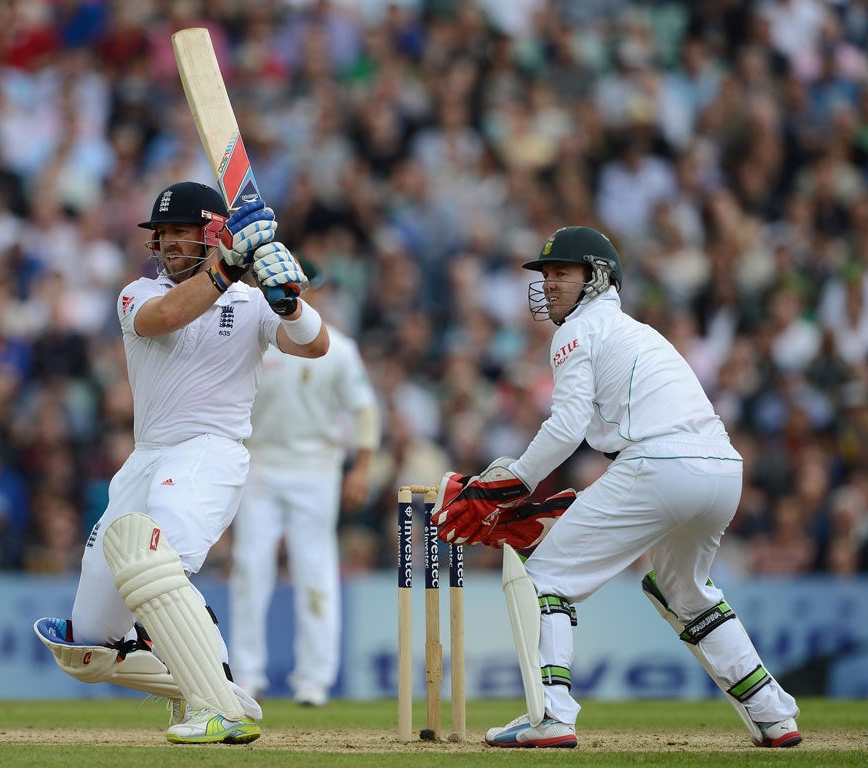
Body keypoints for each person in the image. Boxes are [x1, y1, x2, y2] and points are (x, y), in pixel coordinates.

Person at [431, 226, 801, 749]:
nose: (550, 284)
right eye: (546, 275)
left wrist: (506, 485)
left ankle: (550, 717)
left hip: (658, 464)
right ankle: (773, 715)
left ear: (596, 277)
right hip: (722, 469)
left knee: (545, 579)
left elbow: (566, 426)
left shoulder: (577, 331)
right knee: (685, 592)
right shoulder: (639, 331)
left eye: (563, 272)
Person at [33, 181, 328, 745]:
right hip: (145, 460)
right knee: (86, 647)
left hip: (209, 452)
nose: (168, 241)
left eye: (181, 231)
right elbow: (165, 317)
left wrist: (288, 299)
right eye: (161, 232)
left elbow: (314, 346)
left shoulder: (251, 301)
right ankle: (210, 681)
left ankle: (217, 710)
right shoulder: (136, 294)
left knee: (155, 563)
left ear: (212, 233)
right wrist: (227, 268)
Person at [229, 259, 380, 706]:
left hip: (316, 468)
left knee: (313, 567)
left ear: (311, 289)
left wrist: (363, 466)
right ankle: (245, 676)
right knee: (249, 568)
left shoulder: (338, 347)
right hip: (260, 464)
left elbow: (364, 408)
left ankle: (313, 680)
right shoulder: (253, 338)